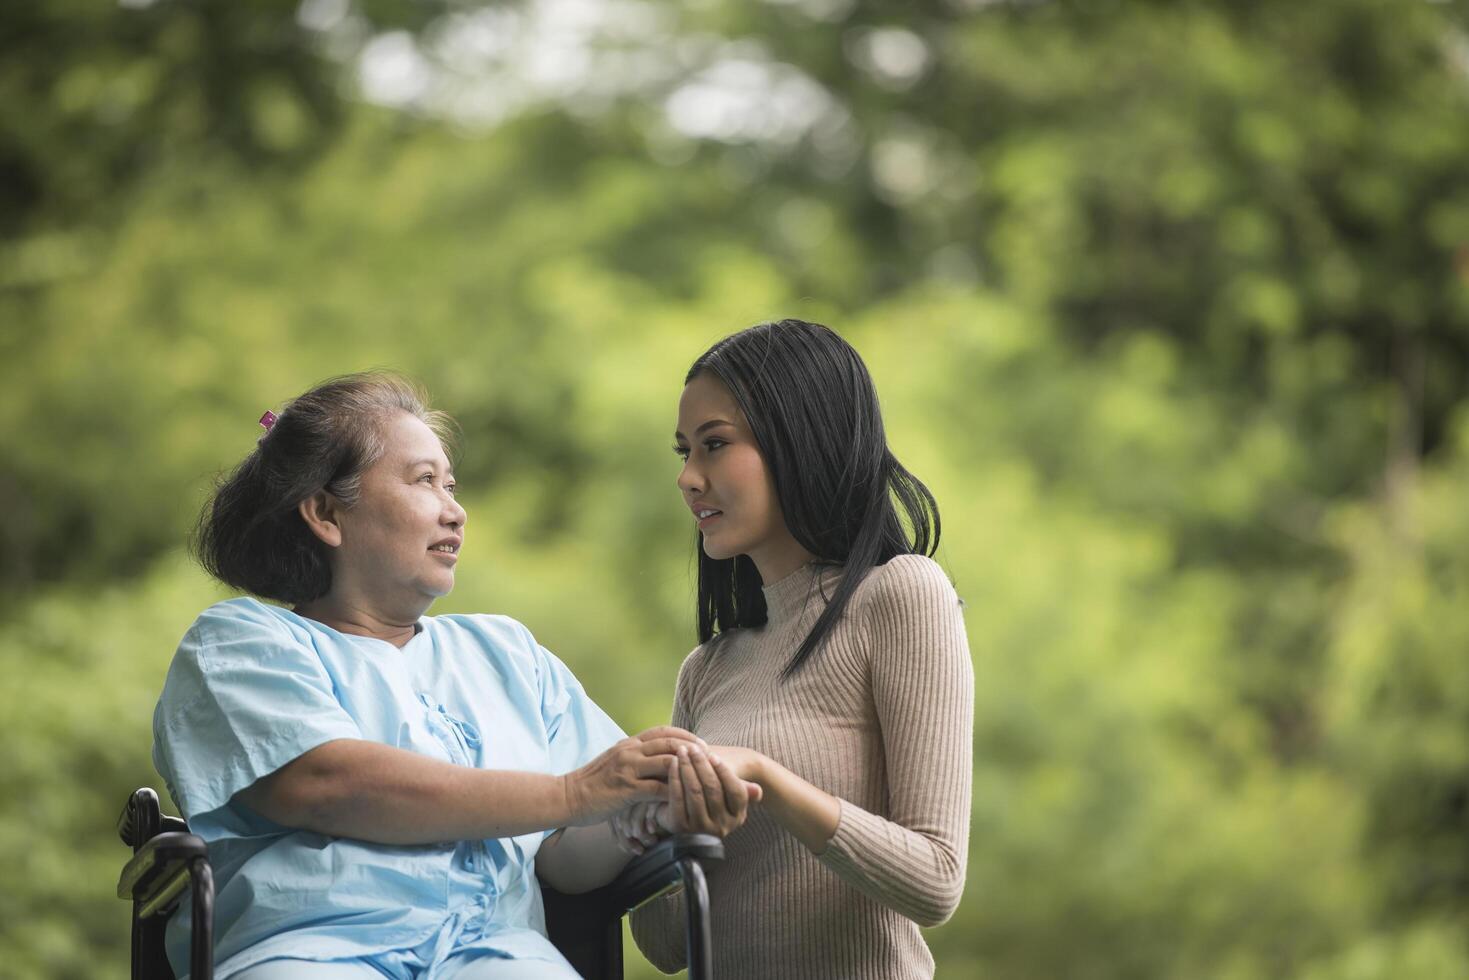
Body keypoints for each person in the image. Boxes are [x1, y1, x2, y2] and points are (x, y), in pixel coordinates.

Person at [152, 372, 755, 980]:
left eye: (451, 484)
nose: (455, 511)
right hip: (312, 951)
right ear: (326, 513)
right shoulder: (240, 645)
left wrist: (642, 813)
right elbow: (326, 783)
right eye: (424, 482)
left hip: (496, 954)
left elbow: (564, 861)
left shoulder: (507, 654)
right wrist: (575, 792)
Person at [624, 320, 974, 979]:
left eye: (715, 445)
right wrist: (666, 826)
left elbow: (936, 880)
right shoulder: (707, 669)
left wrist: (766, 778)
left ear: (799, 438)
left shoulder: (899, 595)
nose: (688, 478)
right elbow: (667, 947)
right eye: (684, 452)